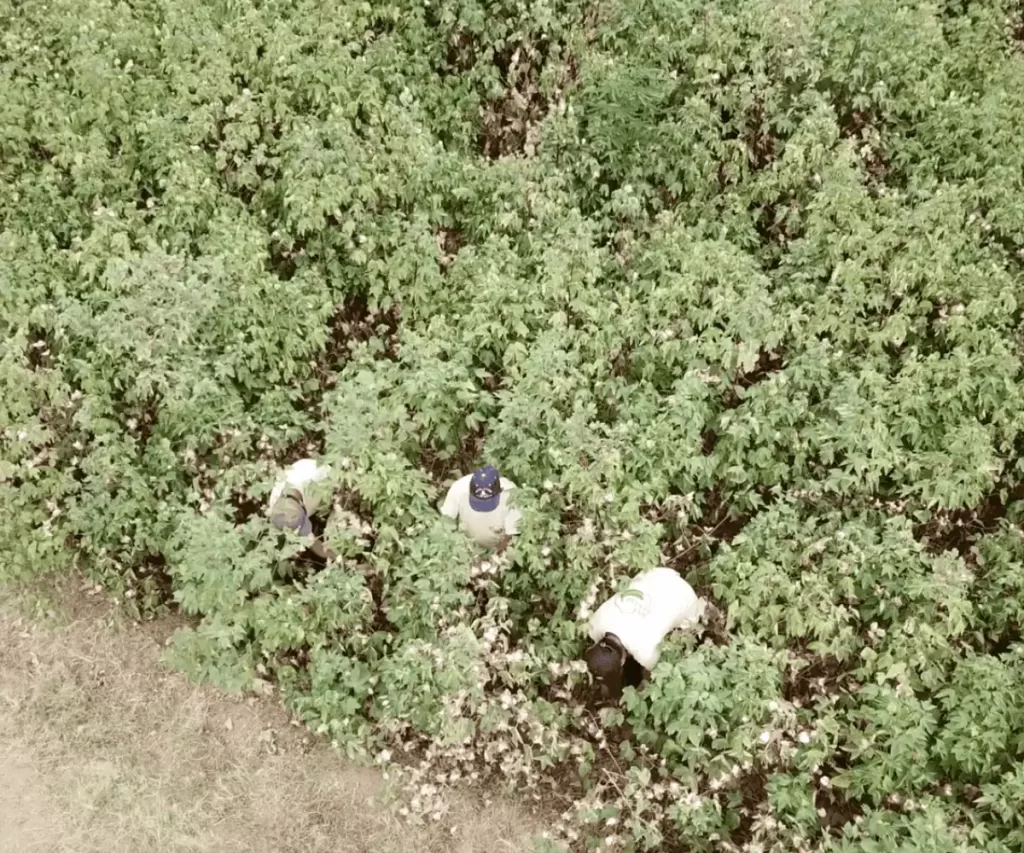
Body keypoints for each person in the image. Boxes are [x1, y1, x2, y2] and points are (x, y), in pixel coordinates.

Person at [584, 567, 706, 700]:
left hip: (686, 598)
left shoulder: (644, 651)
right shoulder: (595, 623)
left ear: (623, 661)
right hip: (657, 573)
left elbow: (649, 678)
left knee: (684, 637)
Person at [267, 458, 338, 562]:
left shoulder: (315, 474)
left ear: (302, 505)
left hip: (333, 495)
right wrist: (339, 560)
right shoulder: (277, 506)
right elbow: (313, 542)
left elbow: (340, 482)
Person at [439, 464, 522, 550]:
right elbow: (446, 520)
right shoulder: (459, 488)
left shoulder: (511, 493)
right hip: (465, 545)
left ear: (500, 491)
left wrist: (495, 556)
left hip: (498, 544)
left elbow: (512, 533)